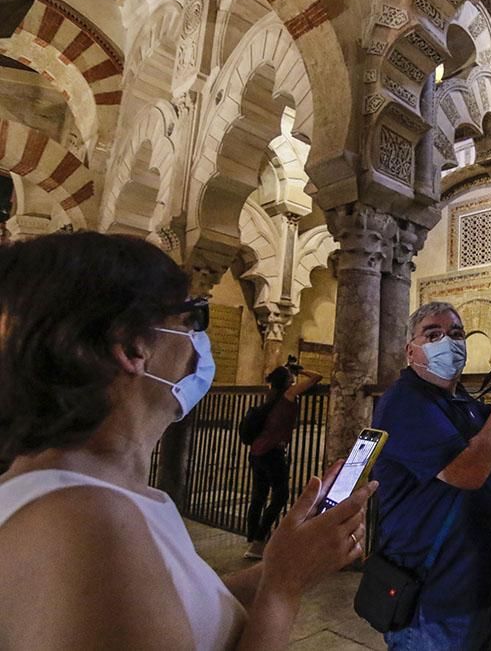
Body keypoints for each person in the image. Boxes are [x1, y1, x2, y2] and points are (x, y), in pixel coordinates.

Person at [0, 232, 375, 650]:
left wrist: (282, 565)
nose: (199, 346)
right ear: (132, 346)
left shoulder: (96, 497)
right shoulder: (84, 524)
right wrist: (283, 589)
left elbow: (188, 610)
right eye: (191, 321)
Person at [371, 301, 491, 649]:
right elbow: (470, 471)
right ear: (410, 350)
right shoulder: (405, 401)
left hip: (477, 584)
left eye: (456, 334)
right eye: (433, 334)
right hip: (436, 595)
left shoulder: (455, 396)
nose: (447, 341)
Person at [244, 361, 324, 559]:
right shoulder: (288, 395)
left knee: (259, 495)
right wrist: (300, 369)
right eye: (291, 378)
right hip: (273, 452)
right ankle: (259, 542)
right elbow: (316, 377)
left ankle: (252, 538)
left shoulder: (271, 396)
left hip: (257, 452)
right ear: (288, 382)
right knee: (281, 496)